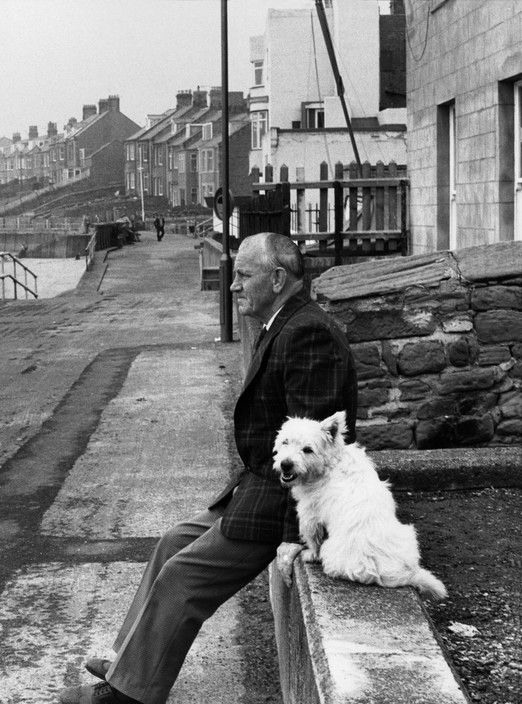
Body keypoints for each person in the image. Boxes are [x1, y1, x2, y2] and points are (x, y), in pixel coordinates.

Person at [58, 232, 357, 704]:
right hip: (256, 488)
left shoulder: (308, 334)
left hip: (280, 506)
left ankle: (129, 696)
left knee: (183, 577)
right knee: (172, 541)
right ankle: (125, 663)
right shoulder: (285, 323)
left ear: (277, 278)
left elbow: (313, 458)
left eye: (242, 275)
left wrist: (291, 536)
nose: (232, 284)